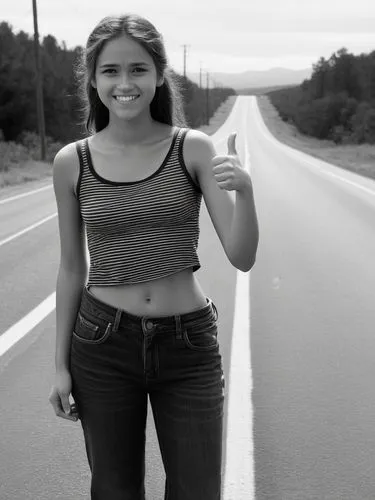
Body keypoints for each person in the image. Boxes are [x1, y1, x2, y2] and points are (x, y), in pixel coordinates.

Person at [48, 13, 259, 500]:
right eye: (111, 71)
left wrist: (245, 193)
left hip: (188, 346)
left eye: (138, 69)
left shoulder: (194, 149)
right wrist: (60, 366)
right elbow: (71, 268)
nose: (125, 83)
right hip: (102, 345)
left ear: (160, 74)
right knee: (115, 490)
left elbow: (242, 256)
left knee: (197, 490)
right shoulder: (70, 162)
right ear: (94, 79)